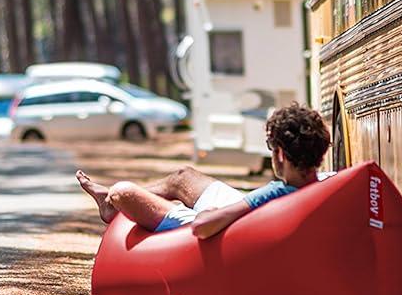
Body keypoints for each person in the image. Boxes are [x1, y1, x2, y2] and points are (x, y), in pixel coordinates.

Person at [76, 102, 331, 240]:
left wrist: (209, 214)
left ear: (280, 155)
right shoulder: (325, 187)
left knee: (123, 192)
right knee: (183, 177)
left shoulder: (276, 193)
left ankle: (112, 200)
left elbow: (202, 227)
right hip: (246, 216)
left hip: (228, 230)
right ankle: (108, 202)